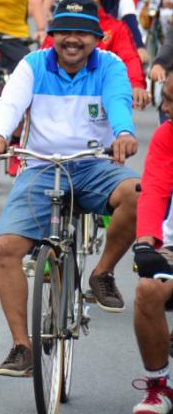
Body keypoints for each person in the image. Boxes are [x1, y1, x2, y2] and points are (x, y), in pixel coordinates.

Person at [0, 0, 140, 376]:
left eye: (82, 33)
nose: (73, 40)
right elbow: (9, 103)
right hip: (40, 168)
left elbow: (119, 101)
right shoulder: (33, 64)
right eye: (65, 31)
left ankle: (101, 274)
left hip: (94, 164)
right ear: (52, 35)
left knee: (138, 195)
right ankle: (22, 346)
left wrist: (123, 132)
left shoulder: (111, 66)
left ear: (96, 39)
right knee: (7, 248)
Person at [43, 0, 150, 109]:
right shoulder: (60, 26)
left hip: (100, 106)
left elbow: (129, 58)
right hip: (61, 101)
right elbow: (44, 60)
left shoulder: (116, 28)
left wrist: (136, 85)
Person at [130, 72, 173, 413]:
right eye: (165, 99)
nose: (165, 108)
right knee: (147, 290)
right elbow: (155, 187)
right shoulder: (166, 135)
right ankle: (158, 388)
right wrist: (145, 243)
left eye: (172, 100)